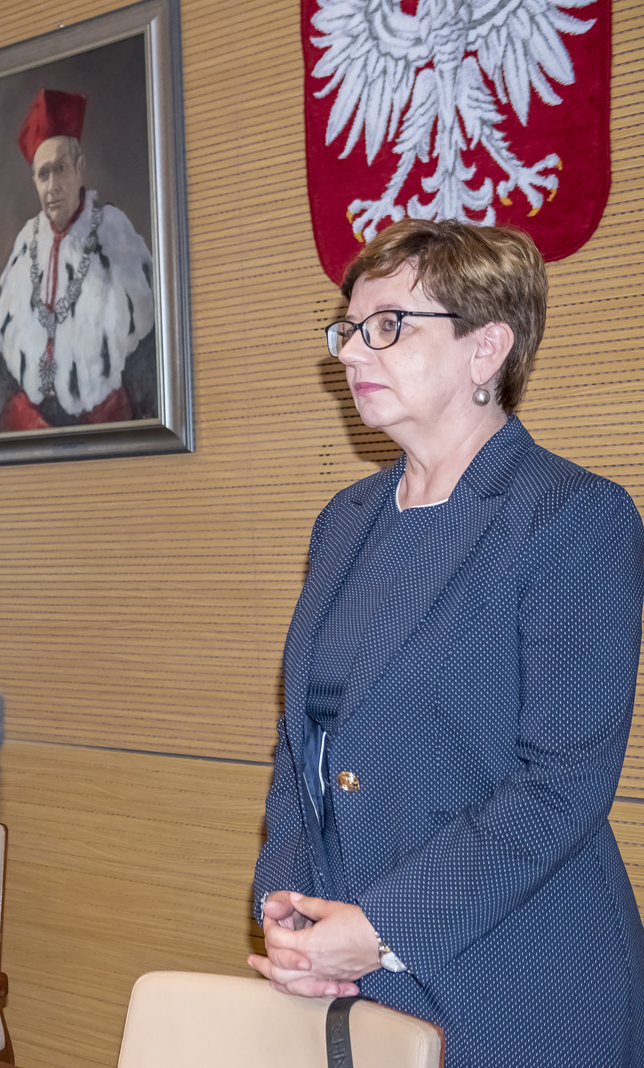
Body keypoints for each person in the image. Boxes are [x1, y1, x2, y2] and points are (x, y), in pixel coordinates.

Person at [250, 219, 644, 1066]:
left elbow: (563, 784)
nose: (353, 353)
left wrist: (383, 929)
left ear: (486, 349)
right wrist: (289, 903)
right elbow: (303, 745)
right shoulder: (345, 520)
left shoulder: (572, 516)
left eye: (388, 326)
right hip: (353, 974)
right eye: (350, 329)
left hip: (522, 984)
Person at [0, 88, 158, 432]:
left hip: (103, 430)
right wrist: (20, 417)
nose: (52, 186)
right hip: (35, 434)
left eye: (60, 169)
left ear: (80, 168)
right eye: (43, 174)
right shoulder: (25, 245)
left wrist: (116, 409)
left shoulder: (115, 235)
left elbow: (152, 346)